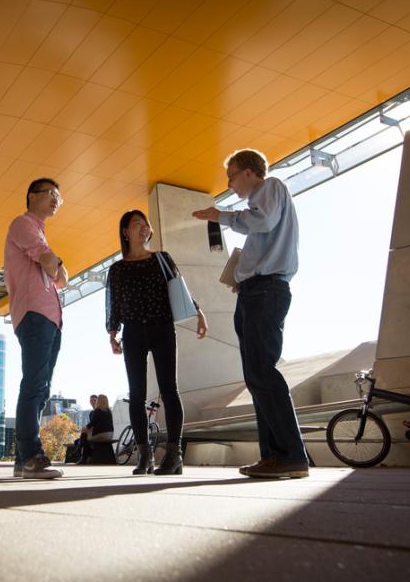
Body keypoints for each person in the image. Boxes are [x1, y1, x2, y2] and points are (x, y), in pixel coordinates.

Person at [192, 149, 309, 479]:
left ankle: (290, 454)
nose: (229, 184)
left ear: (249, 172)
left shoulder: (270, 187)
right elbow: (262, 231)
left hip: (266, 290)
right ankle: (274, 456)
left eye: (231, 176)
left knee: (263, 372)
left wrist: (222, 216)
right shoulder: (260, 201)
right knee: (256, 376)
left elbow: (262, 221)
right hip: (254, 291)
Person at [106, 210, 208, 475]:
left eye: (145, 224)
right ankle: (144, 456)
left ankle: (174, 455)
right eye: (136, 224)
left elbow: (179, 288)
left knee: (169, 390)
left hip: (162, 327)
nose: (143, 228)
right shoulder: (117, 269)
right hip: (133, 333)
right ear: (125, 232)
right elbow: (114, 304)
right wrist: (112, 333)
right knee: (137, 395)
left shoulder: (162, 258)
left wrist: (199, 313)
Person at [4, 177, 68, 479]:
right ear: (32, 196)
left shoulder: (40, 232)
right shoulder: (22, 224)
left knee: (42, 389)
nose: (56, 199)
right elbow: (49, 263)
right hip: (34, 313)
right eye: (51, 194)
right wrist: (52, 261)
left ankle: (22, 459)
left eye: (59, 196)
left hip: (51, 318)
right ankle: (30, 455)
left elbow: (61, 277)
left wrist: (54, 262)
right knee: (33, 384)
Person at [76, 394, 115, 464]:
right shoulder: (109, 411)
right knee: (84, 435)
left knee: (84, 435)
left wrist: (85, 428)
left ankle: (82, 455)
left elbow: (93, 423)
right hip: (110, 434)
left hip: (100, 434)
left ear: (98, 401)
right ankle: (82, 454)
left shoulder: (97, 410)